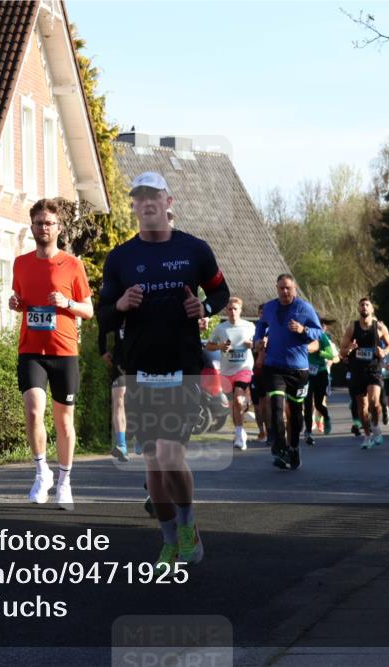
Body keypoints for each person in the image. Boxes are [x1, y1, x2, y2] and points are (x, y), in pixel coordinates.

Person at [99, 171, 229, 569]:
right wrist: (119, 306)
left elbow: (220, 291)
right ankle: (170, 539)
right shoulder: (120, 257)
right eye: (140, 197)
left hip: (182, 366)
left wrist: (203, 308)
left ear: (168, 202)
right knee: (153, 463)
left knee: (171, 455)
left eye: (155, 196)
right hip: (140, 369)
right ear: (134, 206)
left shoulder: (195, 249)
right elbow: (102, 310)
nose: (148, 203)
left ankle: (189, 525)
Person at [9, 199, 94, 510]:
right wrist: (15, 303)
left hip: (64, 351)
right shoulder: (21, 263)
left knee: (64, 421)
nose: (43, 228)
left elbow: (89, 310)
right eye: (38, 222)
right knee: (33, 410)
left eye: (48, 223)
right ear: (31, 226)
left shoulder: (73, 265)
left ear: (59, 227)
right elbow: (20, 297)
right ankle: (41, 472)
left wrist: (66, 303)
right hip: (31, 349)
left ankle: (65, 481)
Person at [254, 274, 323, 469]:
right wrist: (258, 340)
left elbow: (318, 332)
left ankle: (294, 447)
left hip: (298, 369)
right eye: (281, 288)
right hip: (274, 367)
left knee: (295, 413)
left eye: (288, 288)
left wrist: (303, 330)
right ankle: (281, 448)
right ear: (276, 288)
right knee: (276, 407)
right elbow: (261, 326)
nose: (285, 291)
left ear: (294, 289)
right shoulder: (269, 307)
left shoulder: (304, 308)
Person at [341, 297, 389, 449]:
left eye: (367, 305)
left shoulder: (379, 328)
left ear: (372, 310)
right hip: (357, 370)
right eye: (362, 305)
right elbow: (342, 350)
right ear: (359, 309)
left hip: (374, 369)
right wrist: (349, 349)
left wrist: (383, 352)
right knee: (362, 405)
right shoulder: (352, 328)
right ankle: (368, 436)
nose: (364, 307)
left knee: (374, 402)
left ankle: (376, 427)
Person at [206, 297, 256, 450]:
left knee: (238, 400)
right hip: (227, 372)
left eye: (235, 308)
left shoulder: (250, 326)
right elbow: (208, 346)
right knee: (234, 405)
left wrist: (252, 344)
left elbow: (259, 344)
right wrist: (220, 346)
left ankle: (240, 436)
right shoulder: (221, 328)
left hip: (244, 368)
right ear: (226, 311)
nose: (232, 311)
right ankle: (239, 431)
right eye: (230, 309)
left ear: (240, 310)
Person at [303, 318, 338, 445]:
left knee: (318, 404)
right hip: (307, 374)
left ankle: (326, 417)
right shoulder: (302, 335)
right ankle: (308, 432)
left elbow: (331, 356)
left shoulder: (321, 336)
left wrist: (319, 351)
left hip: (321, 373)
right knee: (307, 404)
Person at [98, 319, 129, 461]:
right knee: (118, 400)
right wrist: (102, 350)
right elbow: (103, 323)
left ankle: (144, 437)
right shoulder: (119, 308)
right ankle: (121, 444)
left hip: (142, 363)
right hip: (120, 364)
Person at [250, 303, 270, 444]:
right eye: (261, 312)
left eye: (265, 312)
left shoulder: (273, 328)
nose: (263, 314)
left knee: (268, 403)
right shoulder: (254, 329)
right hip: (254, 372)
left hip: (270, 371)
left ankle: (270, 431)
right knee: (257, 406)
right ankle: (261, 431)